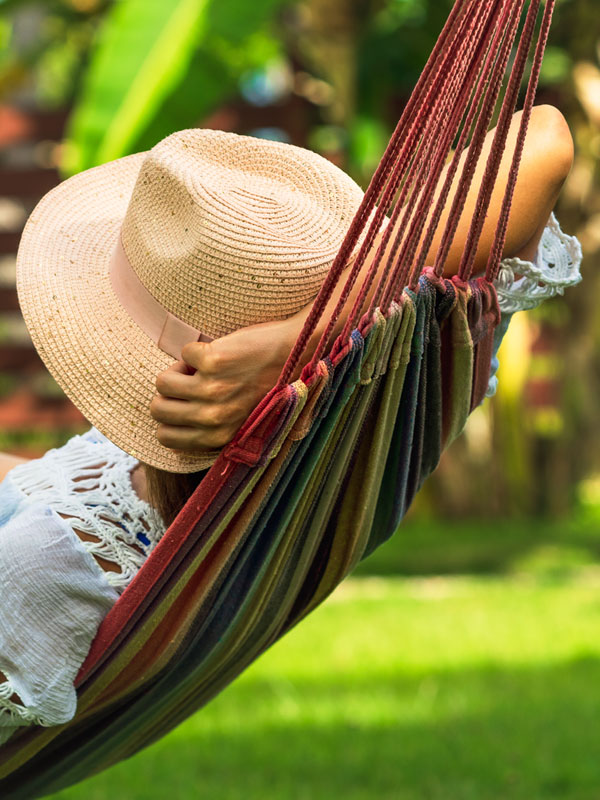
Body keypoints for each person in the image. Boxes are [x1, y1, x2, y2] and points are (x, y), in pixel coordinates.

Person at [0, 105, 582, 744]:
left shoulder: (46, 570)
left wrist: (292, 353)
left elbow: (543, 138)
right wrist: (307, 341)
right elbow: (545, 137)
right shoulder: (398, 392)